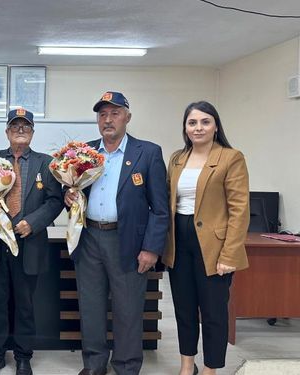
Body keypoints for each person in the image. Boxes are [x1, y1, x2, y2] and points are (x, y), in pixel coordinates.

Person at [64, 91, 169, 375]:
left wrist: (151, 248)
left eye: (115, 113)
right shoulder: (84, 152)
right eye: (102, 114)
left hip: (128, 243)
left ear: (127, 117)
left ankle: (126, 366)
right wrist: (68, 196)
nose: (108, 120)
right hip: (89, 239)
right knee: (91, 307)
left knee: (128, 309)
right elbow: (72, 188)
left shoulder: (147, 153)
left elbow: (160, 208)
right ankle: (95, 364)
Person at [162, 101, 249, 375]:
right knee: (184, 310)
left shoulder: (230, 157)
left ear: (215, 126)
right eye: (192, 122)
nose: (198, 127)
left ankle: (211, 369)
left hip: (213, 246)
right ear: (185, 128)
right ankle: (188, 366)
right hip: (179, 242)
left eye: (205, 122)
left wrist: (229, 255)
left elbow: (239, 210)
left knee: (213, 314)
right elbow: (166, 201)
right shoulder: (177, 158)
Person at [0, 108, 63, 375]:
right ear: (7, 131)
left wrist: (34, 222)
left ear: (33, 132)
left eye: (25, 126)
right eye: (15, 126)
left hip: (29, 242)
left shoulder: (45, 163)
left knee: (25, 304)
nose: (20, 130)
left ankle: (24, 356)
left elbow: (55, 201)